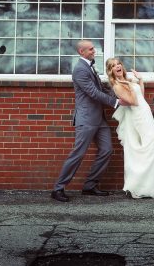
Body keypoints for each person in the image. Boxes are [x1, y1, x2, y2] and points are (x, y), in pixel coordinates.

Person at [50, 40, 126, 202]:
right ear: (81, 52)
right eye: (90, 49)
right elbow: (92, 92)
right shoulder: (79, 70)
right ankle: (58, 188)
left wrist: (120, 90)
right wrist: (115, 102)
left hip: (99, 119)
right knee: (78, 154)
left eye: (93, 48)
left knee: (106, 150)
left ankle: (90, 186)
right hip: (86, 119)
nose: (94, 51)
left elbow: (101, 88)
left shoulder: (91, 66)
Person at [106, 58, 154, 199]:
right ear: (111, 71)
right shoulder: (117, 85)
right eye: (114, 66)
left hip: (145, 114)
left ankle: (150, 187)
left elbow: (140, 96)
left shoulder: (128, 80)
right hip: (137, 117)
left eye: (118, 64)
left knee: (152, 147)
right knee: (145, 148)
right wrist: (129, 85)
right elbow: (134, 102)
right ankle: (137, 187)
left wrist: (140, 80)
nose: (117, 66)